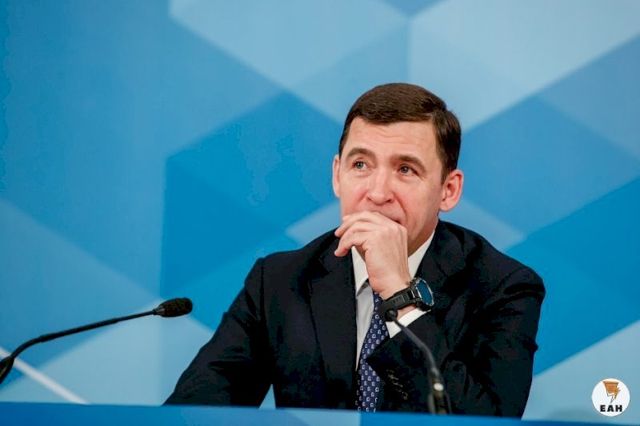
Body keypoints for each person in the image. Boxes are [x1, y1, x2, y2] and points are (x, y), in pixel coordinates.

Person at [165, 83, 545, 417]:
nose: (377, 193)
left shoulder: (503, 287)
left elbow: (484, 421)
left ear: (449, 190)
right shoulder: (279, 281)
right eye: (361, 164)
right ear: (337, 175)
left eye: (406, 169)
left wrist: (400, 293)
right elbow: (193, 412)